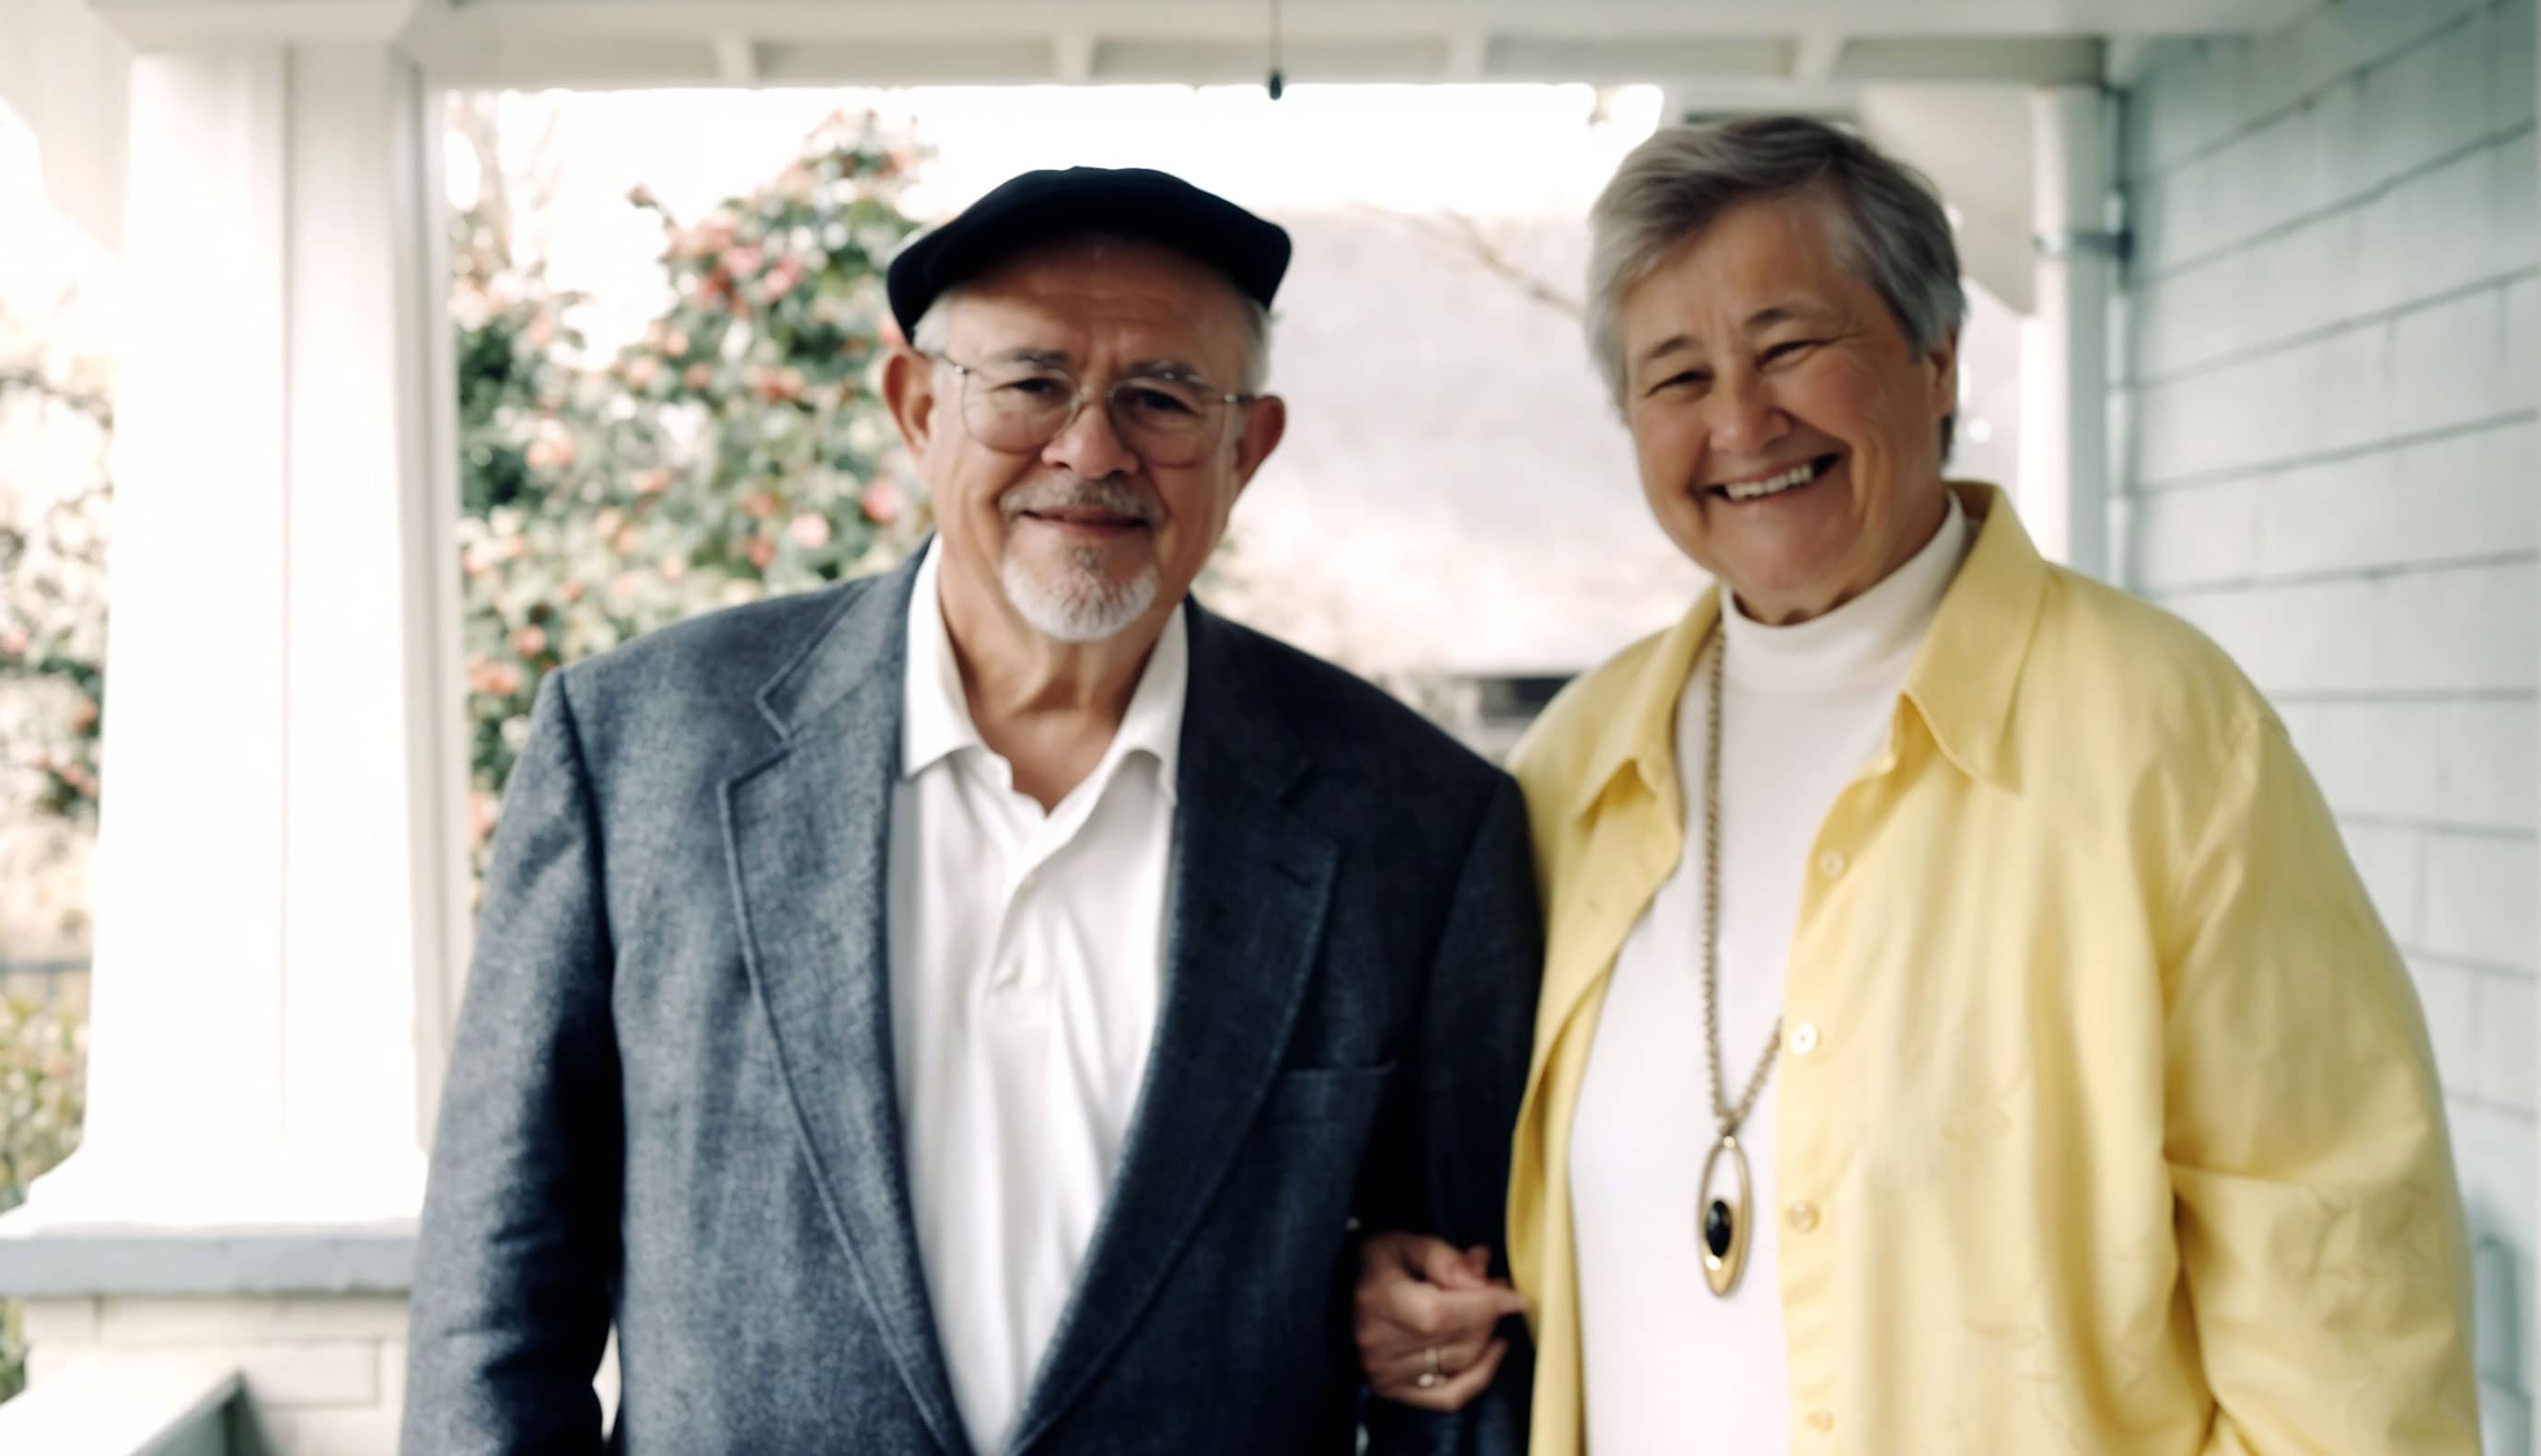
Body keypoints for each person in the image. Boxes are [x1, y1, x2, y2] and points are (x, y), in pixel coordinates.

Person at [1353, 116, 2479, 1454]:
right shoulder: (1574, 768)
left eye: (1789, 348)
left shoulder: (2172, 742)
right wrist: (1394, 1283)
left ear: (1935, 356)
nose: (1739, 422)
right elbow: (1470, 1184)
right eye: (1675, 376)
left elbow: (2345, 1319)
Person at [404, 166, 1539, 1455]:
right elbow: (495, 1312)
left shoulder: (1417, 828)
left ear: (1248, 448)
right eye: (1031, 383)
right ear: (914, 409)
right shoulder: (638, 753)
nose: (1091, 448)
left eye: (1163, 396)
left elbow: (1463, 1347)